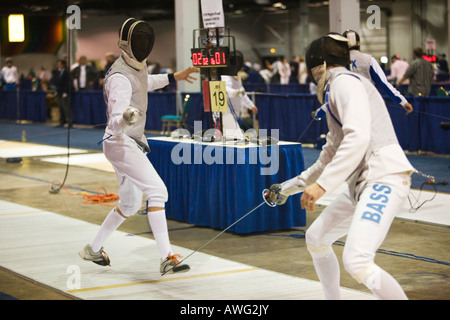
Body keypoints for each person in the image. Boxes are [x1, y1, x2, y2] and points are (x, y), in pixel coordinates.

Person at [266, 34, 414, 300]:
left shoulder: (345, 82)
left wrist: (322, 186)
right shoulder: (338, 89)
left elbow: (359, 136)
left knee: (357, 260)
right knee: (316, 237)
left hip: (384, 178)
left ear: (319, 64)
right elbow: (329, 155)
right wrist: (287, 188)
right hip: (362, 184)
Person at [78, 18, 199, 275]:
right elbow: (114, 118)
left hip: (124, 143)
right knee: (158, 191)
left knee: (130, 204)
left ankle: (93, 249)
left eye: (146, 40)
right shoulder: (119, 77)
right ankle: (167, 256)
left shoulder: (136, 69)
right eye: (139, 40)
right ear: (126, 43)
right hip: (121, 142)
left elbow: (146, 82)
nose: (144, 45)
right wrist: (124, 118)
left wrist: (175, 76)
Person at [343, 30, 413, 115]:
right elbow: (383, 84)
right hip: (366, 106)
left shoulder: (337, 63)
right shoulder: (368, 60)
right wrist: (403, 101)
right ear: (358, 43)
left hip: (344, 107)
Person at [54, 59, 71, 127]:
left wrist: (65, 92)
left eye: (59, 64)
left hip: (64, 93)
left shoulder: (66, 72)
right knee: (60, 108)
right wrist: (56, 91)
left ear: (63, 65)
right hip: (59, 93)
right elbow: (58, 83)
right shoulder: (58, 72)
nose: (58, 65)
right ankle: (62, 121)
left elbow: (67, 83)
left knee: (66, 108)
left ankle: (69, 122)